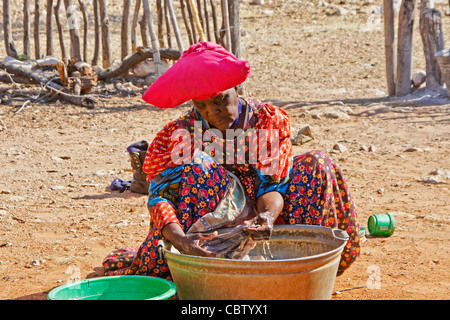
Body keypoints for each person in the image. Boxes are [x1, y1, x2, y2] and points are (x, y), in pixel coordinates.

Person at [102, 42, 360, 278]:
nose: (212, 113)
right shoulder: (181, 134)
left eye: (220, 100)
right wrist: (180, 239)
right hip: (210, 227)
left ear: (235, 88)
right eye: (201, 106)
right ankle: (209, 269)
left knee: (318, 163)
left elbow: (272, 186)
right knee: (198, 166)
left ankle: (309, 265)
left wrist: (267, 217)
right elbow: (160, 197)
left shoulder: (266, 121)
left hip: (270, 219)